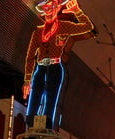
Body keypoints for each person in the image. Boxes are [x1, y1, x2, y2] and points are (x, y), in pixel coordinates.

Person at [22, 0, 95, 130]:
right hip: (40, 68)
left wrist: (77, 12)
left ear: (57, 9)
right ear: (43, 11)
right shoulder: (37, 33)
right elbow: (30, 57)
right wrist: (27, 79)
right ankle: (31, 122)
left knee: (51, 97)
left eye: (52, 7)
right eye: (46, 7)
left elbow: (88, 27)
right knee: (35, 94)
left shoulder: (63, 26)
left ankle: (47, 124)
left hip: (56, 67)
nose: (49, 10)